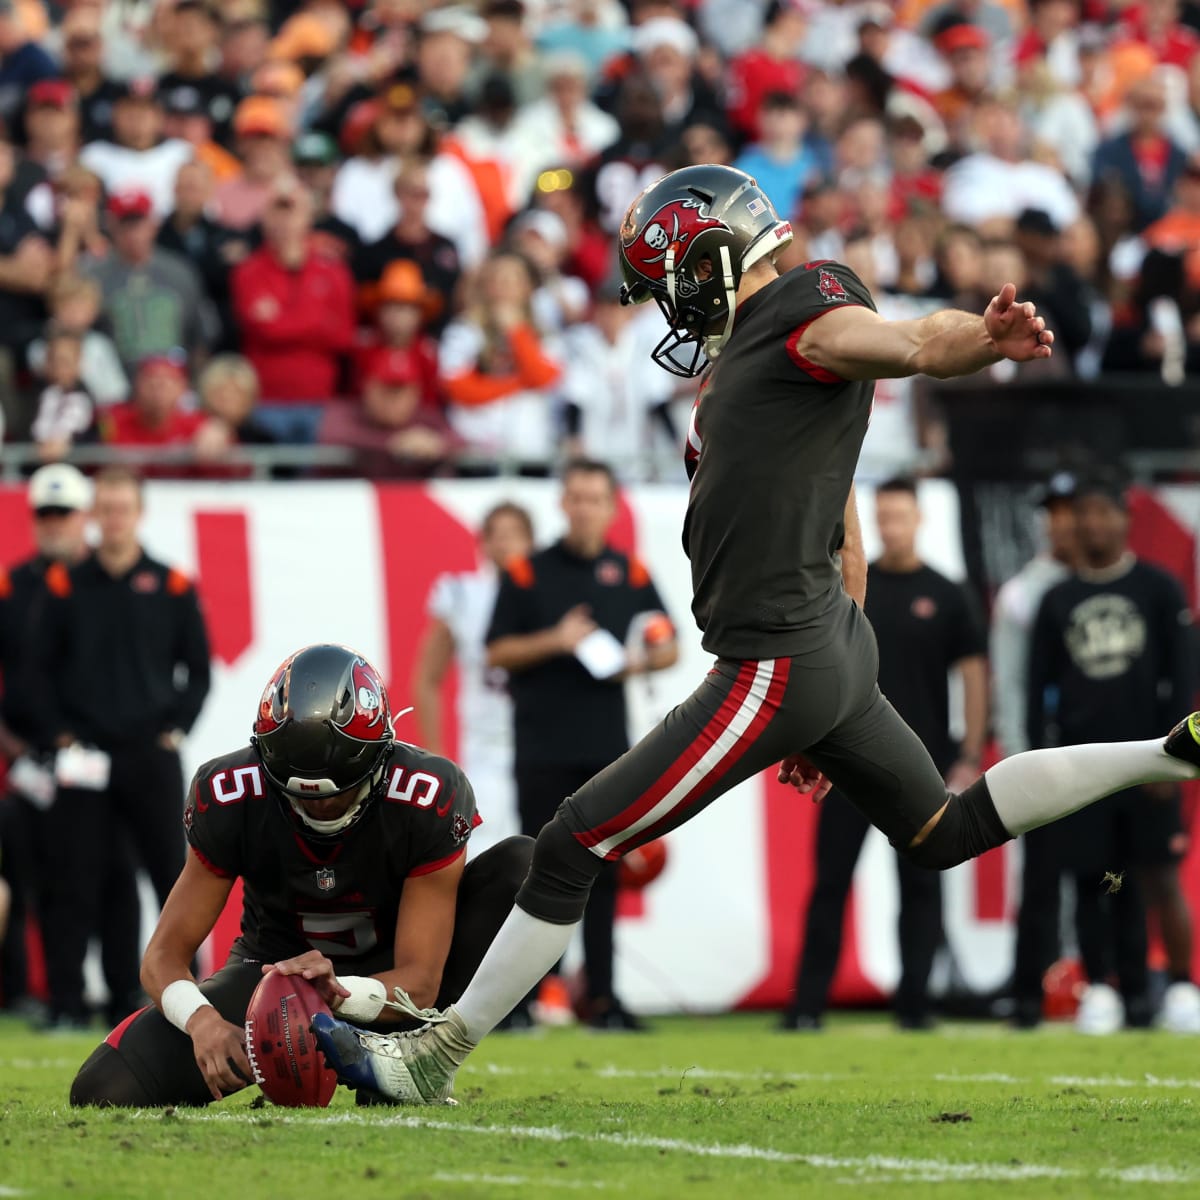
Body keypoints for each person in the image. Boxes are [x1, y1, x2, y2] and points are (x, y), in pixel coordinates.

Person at [313, 164, 1200, 1105]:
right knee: (945, 828)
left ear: (717, 253)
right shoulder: (766, 352)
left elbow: (905, 340)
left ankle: (434, 1056)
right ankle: (1172, 752)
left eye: (676, 280)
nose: (674, 306)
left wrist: (976, 341)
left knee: (573, 842)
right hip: (820, 648)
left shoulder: (800, 307)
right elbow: (842, 515)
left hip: (776, 657)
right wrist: (831, 689)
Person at [68, 643, 534, 1107]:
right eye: (299, 792)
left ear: (378, 757)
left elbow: (420, 979)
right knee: (104, 1089)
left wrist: (341, 992)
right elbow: (163, 957)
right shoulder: (232, 792)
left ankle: (414, 1058)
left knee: (522, 867)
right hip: (271, 975)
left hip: (389, 985)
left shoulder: (425, 795)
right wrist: (203, 1022)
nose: (319, 805)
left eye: (337, 794)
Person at [784, 478, 988, 1032]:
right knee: (831, 882)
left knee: (921, 883)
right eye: (884, 515)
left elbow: (972, 673)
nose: (892, 525)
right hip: (846, 760)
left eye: (901, 515)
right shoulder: (848, 588)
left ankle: (916, 1005)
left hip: (916, 763)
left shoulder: (947, 593)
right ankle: (805, 1007)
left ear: (920, 518)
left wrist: (968, 751)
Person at [483, 460, 678, 1029]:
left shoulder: (630, 570)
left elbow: (668, 643)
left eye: (595, 497)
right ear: (562, 505)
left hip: (608, 750)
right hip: (542, 745)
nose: (585, 507)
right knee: (536, 870)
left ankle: (603, 997)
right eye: (576, 497)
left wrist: (641, 660)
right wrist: (557, 640)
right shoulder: (526, 573)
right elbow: (496, 652)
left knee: (605, 871)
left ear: (612, 506)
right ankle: (527, 998)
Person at [30, 466, 211, 1032]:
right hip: (85, 756)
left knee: (175, 881)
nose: (112, 519)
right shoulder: (65, 585)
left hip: (149, 754)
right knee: (76, 881)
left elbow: (199, 671)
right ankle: (67, 1003)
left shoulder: (172, 584)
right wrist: (59, 733)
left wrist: (175, 727)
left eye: (121, 507)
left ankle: (201, 997)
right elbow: (35, 671)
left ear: (138, 512)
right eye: (103, 508)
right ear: (93, 515)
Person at [1028, 472, 1199, 1034]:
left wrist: (1172, 757)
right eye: (1086, 514)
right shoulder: (1056, 599)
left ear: (1125, 518)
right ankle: (1101, 986)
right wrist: (1044, 767)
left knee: (1160, 875)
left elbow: (1182, 677)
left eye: (1105, 512)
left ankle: (1178, 987)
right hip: (1083, 768)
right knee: (1098, 879)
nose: (1095, 524)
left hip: (1150, 761)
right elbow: (1039, 692)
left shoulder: (1158, 588)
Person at [0, 465, 135, 1025]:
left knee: (115, 876)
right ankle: (58, 997)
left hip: (98, 754)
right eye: (45, 513)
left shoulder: (102, 583)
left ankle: (125, 993)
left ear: (85, 517)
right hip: (30, 754)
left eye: (64, 512)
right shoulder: (14, 585)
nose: (53, 523)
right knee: (43, 879)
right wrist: (12, 743)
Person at [992, 471, 1080, 1028]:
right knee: (1042, 879)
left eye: (1072, 510)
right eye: (1055, 512)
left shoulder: (1118, 582)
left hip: (1102, 749)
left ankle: (1105, 984)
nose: (1064, 523)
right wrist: (1021, 761)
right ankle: (1030, 990)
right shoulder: (1024, 593)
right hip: (1048, 757)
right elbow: (1011, 684)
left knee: (1106, 878)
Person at [413, 502, 536, 858]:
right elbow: (427, 678)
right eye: (497, 535)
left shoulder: (549, 594)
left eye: (514, 534)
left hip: (540, 745)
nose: (505, 544)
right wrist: (437, 756)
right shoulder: (464, 594)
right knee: (483, 853)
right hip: (485, 747)